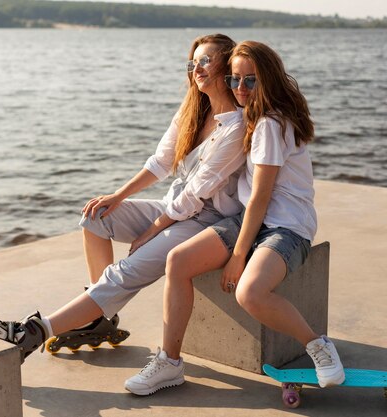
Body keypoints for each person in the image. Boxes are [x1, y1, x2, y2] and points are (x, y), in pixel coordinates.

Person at [0, 34, 248, 362]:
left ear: (226, 67)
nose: (196, 69)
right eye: (192, 62)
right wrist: (117, 196)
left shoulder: (235, 128)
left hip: (203, 221)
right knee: (96, 216)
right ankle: (98, 318)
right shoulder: (192, 111)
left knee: (125, 271)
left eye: (205, 61)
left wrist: (150, 231)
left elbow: (194, 198)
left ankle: (32, 331)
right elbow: (161, 163)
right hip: (172, 207)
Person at [125, 41, 345, 396]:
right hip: (249, 220)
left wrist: (238, 255)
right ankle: (169, 362)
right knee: (178, 260)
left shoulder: (271, 125)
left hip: (284, 226)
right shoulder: (251, 120)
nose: (240, 88)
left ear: (268, 81)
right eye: (234, 79)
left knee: (250, 293)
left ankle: (318, 346)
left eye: (250, 81)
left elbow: (261, 196)